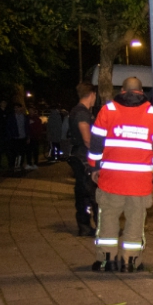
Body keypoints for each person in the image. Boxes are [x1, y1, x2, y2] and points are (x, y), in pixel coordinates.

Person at [87, 77, 153, 273]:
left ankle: (106, 260)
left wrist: (94, 167)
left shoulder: (108, 110)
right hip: (140, 181)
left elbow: (96, 143)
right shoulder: (152, 112)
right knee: (135, 222)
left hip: (111, 179)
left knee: (108, 218)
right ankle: (130, 262)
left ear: (122, 91)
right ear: (141, 91)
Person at [68, 83, 98, 237]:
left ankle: (84, 226)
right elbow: (87, 139)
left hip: (80, 157)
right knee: (91, 193)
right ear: (91, 94)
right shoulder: (82, 113)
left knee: (82, 193)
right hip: (84, 159)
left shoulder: (78, 111)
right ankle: (91, 227)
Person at [5, 102, 30, 173]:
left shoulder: (24, 117)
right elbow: (8, 127)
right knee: (13, 153)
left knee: (22, 152)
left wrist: (28, 137)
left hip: (23, 137)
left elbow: (27, 127)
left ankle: (20, 165)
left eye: (18, 108)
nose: (17, 109)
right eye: (15, 108)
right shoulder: (11, 117)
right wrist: (11, 136)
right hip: (14, 137)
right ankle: (12, 165)